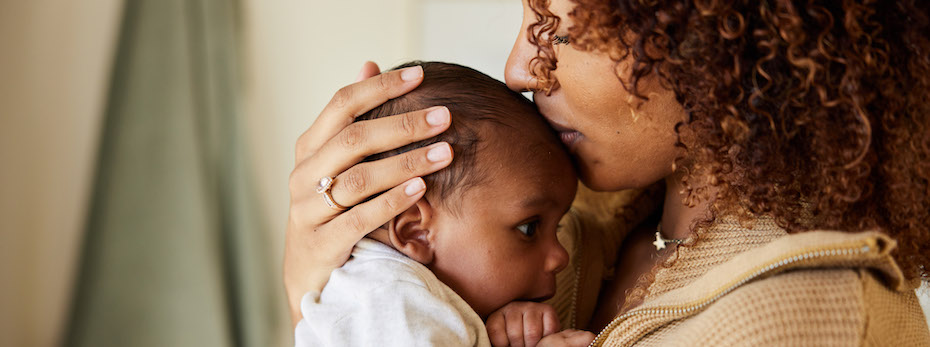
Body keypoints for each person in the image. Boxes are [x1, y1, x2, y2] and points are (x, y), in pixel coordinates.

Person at [284, 0, 930, 345]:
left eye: (557, 32)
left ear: (708, 35)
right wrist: (339, 284)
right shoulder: (570, 223)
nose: (520, 70)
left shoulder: (804, 321)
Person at [294, 61, 594, 347]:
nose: (560, 256)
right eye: (529, 228)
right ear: (415, 231)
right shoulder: (393, 299)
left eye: (558, 226)